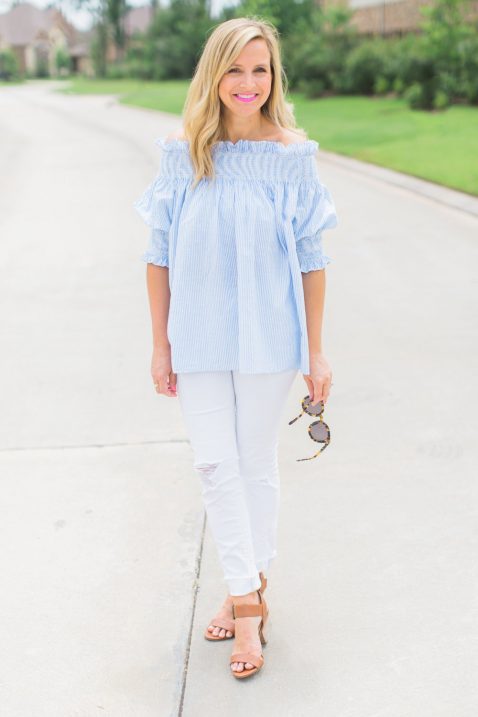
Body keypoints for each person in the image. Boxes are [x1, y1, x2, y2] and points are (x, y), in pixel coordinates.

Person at [133, 16, 338, 679]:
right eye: (235, 69)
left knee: (254, 463)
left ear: (274, 78)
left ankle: (245, 594)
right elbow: (157, 255)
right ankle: (248, 594)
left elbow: (312, 258)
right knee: (215, 465)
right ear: (213, 75)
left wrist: (318, 351)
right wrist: (159, 343)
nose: (248, 83)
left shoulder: (292, 156)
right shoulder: (183, 152)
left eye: (261, 70)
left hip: (271, 338)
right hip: (195, 336)